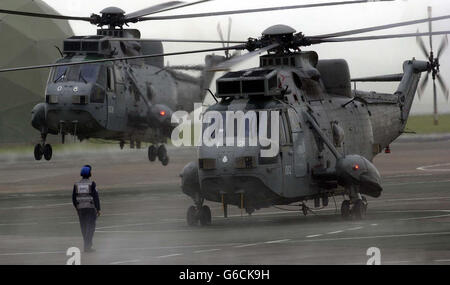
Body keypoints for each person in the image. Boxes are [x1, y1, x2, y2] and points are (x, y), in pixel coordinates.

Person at [72, 165, 101, 252]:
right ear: (89, 174)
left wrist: (77, 208)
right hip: (90, 209)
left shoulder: (76, 185)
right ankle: (88, 246)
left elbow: (73, 198)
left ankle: (86, 246)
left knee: (84, 228)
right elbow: (96, 197)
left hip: (81, 209)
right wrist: (98, 209)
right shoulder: (92, 184)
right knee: (91, 228)